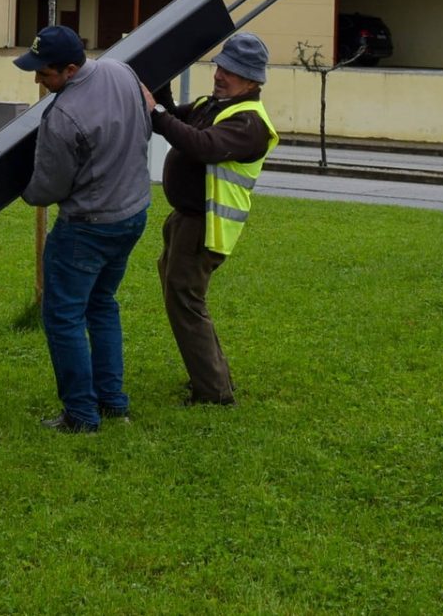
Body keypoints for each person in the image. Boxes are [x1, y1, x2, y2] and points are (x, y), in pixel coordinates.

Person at [17, 24, 153, 434]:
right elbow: (145, 125)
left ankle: (80, 415)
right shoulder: (121, 71)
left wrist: (24, 191)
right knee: (102, 305)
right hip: (132, 214)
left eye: (45, 73)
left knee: (63, 317)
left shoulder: (61, 117)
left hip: (86, 229)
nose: (38, 79)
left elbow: (48, 188)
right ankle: (113, 403)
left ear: (71, 69)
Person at [142, 32, 279, 407]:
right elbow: (172, 117)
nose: (220, 74)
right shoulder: (214, 104)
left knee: (186, 302)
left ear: (251, 81)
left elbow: (200, 146)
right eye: (221, 66)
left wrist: (156, 112)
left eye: (231, 72)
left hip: (205, 226)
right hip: (185, 220)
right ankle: (213, 379)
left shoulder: (250, 122)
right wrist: (160, 81)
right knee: (182, 299)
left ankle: (214, 393)